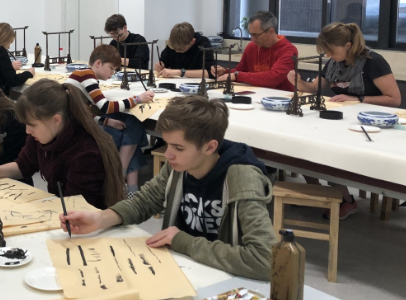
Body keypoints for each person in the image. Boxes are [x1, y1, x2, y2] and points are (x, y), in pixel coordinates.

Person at [59, 96, 276, 280]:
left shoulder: (243, 178)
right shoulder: (180, 165)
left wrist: (182, 241)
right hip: (185, 268)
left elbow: (265, 260)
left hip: (227, 280)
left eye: (178, 147)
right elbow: (145, 201)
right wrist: (101, 218)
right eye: (167, 144)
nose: (169, 154)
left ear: (210, 147)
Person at [287, 22, 401, 219]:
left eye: (331, 50)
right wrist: (298, 82)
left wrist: (357, 99)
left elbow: (394, 99)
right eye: (325, 51)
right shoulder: (334, 63)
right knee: (304, 144)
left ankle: (346, 199)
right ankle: (316, 190)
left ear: (348, 45)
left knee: (330, 154)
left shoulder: (373, 62)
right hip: (343, 120)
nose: (328, 54)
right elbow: (313, 88)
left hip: (371, 125)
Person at [0, 79, 125, 209]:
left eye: (32, 125)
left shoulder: (86, 153)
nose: (27, 131)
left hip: (88, 224)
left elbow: (74, 207)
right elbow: (23, 166)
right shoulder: (43, 135)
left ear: (56, 120)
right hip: (63, 212)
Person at [66, 45, 155, 197]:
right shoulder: (86, 75)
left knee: (128, 131)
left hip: (78, 124)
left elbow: (82, 112)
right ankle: (121, 178)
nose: (113, 73)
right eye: (111, 68)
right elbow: (105, 107)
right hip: (77, 130)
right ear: (98, 63)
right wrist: (137, 99)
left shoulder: (84, 75)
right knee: (132, 126)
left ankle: (126, 186)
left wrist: (107, 122)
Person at [212, 11, 297, 91]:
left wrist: (237, 75)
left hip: (281, 97)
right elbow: (240, 70)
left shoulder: (288, 50)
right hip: (256, 93)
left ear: (270, 31)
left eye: (256, 35)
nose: (252, 39)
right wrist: (225, 72)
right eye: (251, 34)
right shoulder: (252, 47)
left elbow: (273, 78)